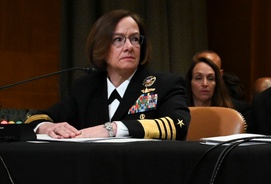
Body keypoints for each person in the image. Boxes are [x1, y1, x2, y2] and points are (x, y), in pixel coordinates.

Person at [26, 9, 189, 140]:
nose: (129, 47)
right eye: (118, 39)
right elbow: (36, 118)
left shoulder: (164, 84)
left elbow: (178, 125)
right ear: (101, 47)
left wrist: (113, 129)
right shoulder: (86, 88)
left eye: (135, 39)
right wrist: (47, 127)